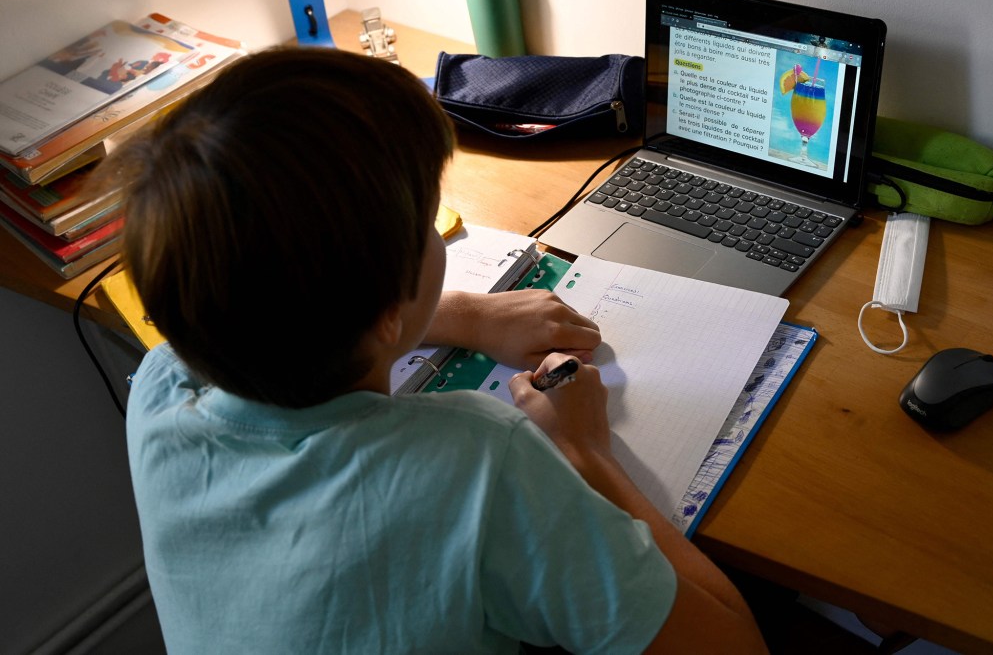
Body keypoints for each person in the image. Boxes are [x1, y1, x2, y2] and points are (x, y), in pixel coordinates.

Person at [94, 46, 767, 653]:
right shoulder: (478, 463)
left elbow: (258, 301)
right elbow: (734, 644)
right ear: (388, 312)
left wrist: (464, 316)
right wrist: (584, 452)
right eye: (426, 221)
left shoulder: (161, 388)